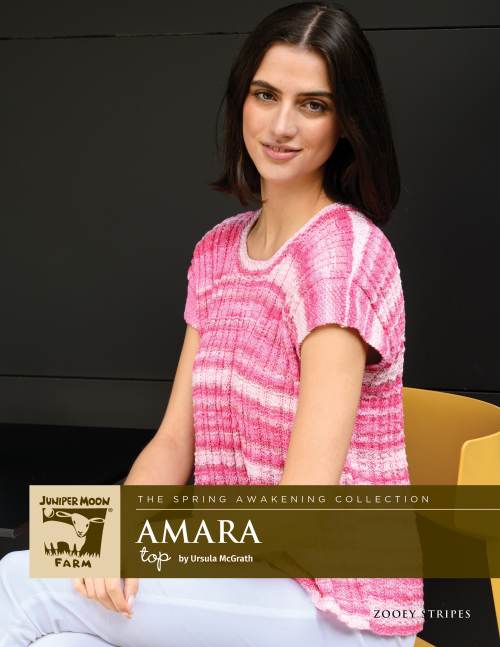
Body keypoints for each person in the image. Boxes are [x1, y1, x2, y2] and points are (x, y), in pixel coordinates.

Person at [0, 2, 424, 645]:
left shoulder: (341, 259)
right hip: (243, 579)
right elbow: (174, 443)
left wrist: (135, 545)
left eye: (313, 104)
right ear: (241, 100)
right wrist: (112, 535)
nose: (281, 125)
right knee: (64, 624)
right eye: (265, 94)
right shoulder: (219, 252)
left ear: (346, 122)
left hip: (341, 600)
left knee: (20, 579)